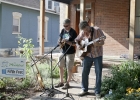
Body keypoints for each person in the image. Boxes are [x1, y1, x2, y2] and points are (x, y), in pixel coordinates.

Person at [75, 21, 105, 98]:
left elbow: (102, 42)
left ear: (88, 26)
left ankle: (97, 91)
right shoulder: (82, 32)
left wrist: (97, 44)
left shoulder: (97, 30)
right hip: (87, 55)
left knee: (98, 73)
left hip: (97, 55)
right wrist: (79, 46)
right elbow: (77, 40)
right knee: (84, 72)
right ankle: (84, 89)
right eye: (83, 30)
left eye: (85, 29)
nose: (85, 32)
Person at [55, 19, 77, 89]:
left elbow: (75, 44)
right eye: (64, 26)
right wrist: (59, 41)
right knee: (60, 66)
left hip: (70, 52)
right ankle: (61, 82)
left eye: (66, 26)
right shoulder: (63, 30)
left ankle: (67, 83)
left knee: (69, 68)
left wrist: (67, 42)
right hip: (63, 51)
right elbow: (60, 38)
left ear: (70, 25)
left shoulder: (73, 32)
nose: (65, 27)